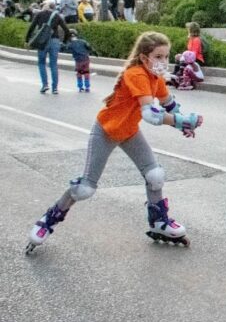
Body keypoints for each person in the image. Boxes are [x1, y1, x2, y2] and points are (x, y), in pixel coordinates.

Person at [25, 31, 202, 254]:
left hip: (128, 132)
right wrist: (182, 121)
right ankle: (48, 220)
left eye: (166, 56)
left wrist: (183, 123)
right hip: (106, 132)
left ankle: (159, 221)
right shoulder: (136, 74)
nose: (163, 62)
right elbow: (152, 115)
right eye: (158, 57)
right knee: (84, 189)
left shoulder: (155, 78)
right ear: (144, 57)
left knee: (155, 175)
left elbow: (169, 105)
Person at [25, 1, 71, 95]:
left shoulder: (39, 15)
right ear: (52, 8)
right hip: (55, 41)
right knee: (53, 64)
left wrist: (27, 40)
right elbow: (67, 30)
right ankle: (55, 88)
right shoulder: (57, 15)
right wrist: (64, 42)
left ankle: (45, 85)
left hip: (42, 42)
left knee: (41, 63)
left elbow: (32, 27)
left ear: (43, 7)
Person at [63, 29, 95, 93]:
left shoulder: (71, 44)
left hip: (78, 61)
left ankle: (80, 87)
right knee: (86, 73)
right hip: (86, 59)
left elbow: (65, 48)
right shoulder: (83, 41)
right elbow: (89, 46)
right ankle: (87, 87)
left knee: (79, 73)